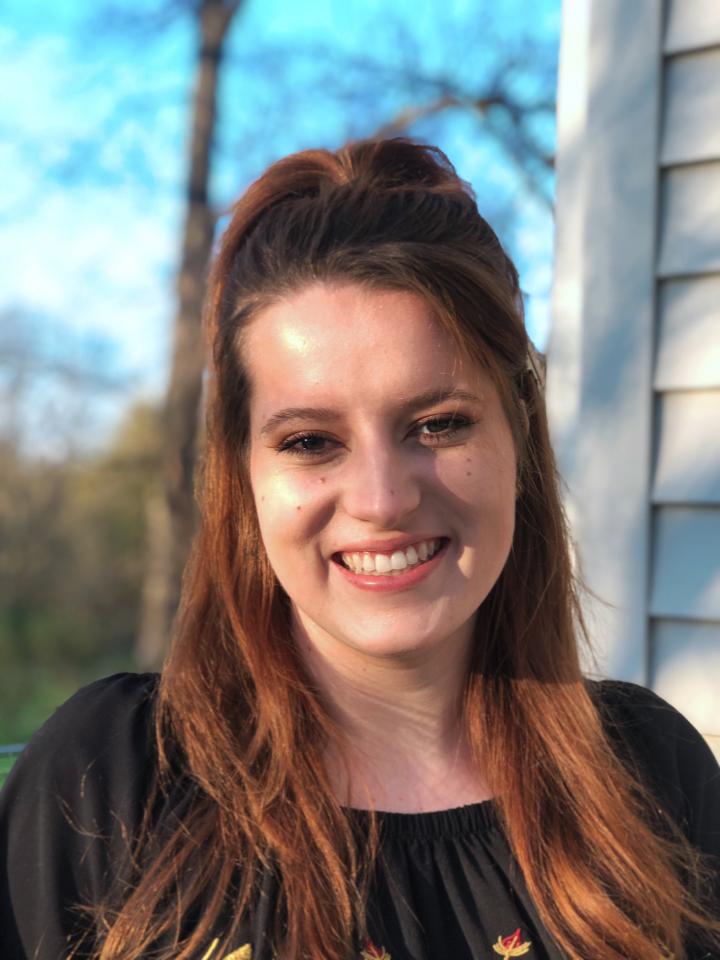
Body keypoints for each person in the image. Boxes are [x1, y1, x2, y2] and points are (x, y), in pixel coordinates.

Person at [1, 138, 718, 960]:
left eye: (438, 424)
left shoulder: (649, 773)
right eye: (310, 440)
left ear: (519, 429)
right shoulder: (112, 780)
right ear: (243, 474)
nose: (382, 500)